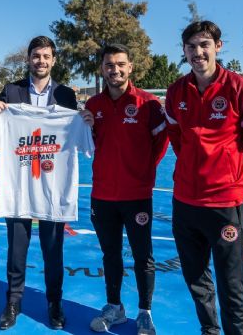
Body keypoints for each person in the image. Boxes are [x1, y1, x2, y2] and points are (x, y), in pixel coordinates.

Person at [165, 21, 243, 335]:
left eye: (204, 45)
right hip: (184, 203)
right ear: (184, 51)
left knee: (231, 283)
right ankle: (209, 330)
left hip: (224, 204)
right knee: (195, 278)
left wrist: (236, 184)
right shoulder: (176, 91)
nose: (198, 52)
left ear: (218, 47)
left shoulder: (240, 89)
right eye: (192, 47)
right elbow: (177, 139)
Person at [0, 36, 78, 330]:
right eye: (36, 56)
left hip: (53, 183)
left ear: (53, 60)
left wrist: (85, 119)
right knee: (17, 248)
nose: (41, 61)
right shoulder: (11, 91)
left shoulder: (66, 95)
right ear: (28, 59)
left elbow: (73, 133)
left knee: (53, 249)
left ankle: (54, 303)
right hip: (19, 182)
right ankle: (13, 302)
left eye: (46, 56)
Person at [82, 44, 168, 335]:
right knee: (110, 254)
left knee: (143, 255)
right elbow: (88, 144)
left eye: (120, 64)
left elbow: (161, 143)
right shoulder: (93, 106)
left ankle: (145, 311)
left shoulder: (149, 104)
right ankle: (114, 307)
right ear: (102, 69)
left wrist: (142, 171)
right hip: (102, 195)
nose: (114, 70)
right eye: (109, 65)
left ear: (130, 67)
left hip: (137, 195)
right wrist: (88, 127)